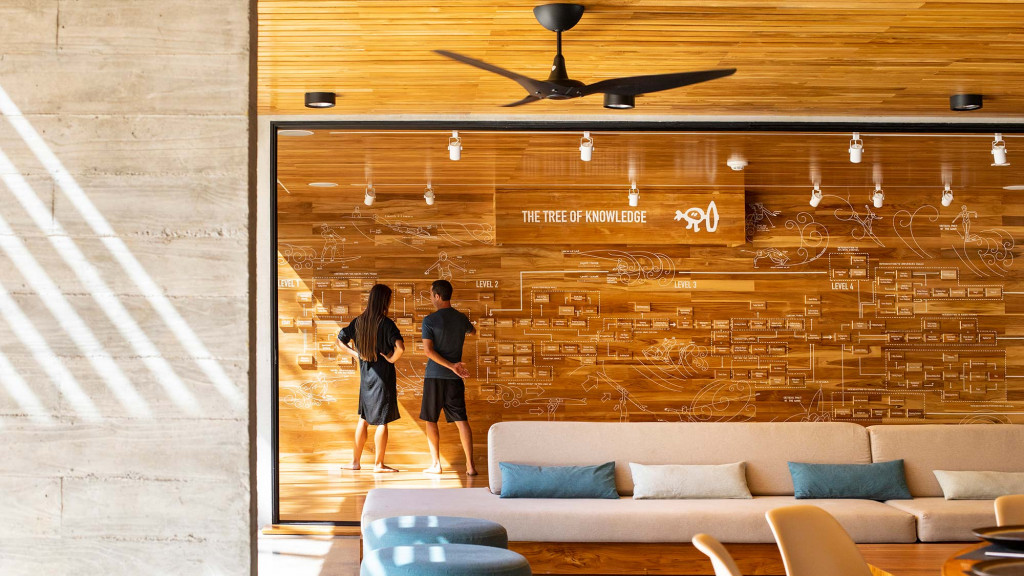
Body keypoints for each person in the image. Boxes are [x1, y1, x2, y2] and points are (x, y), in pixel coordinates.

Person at [337, 283, 405, 473]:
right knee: (382, 421)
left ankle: (355, 463)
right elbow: (400, 348)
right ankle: (378, 464)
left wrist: (355, 354)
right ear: (385, 301)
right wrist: (391, 358)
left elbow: (340, 339)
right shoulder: (386, 323)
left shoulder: (359, 322)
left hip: (366, 380)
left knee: (364, 419)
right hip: (383, 379)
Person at [420, 279, 477, 475]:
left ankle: (436, 465)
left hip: (435, 377)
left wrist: (451, 366)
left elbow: (428, 351)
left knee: (430, 420)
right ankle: (470, 467)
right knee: (461, 420)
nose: (431, 298)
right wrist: (454, 364)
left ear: (437, 296)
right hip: (455, 379)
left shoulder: (429, 320)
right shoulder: (461, 318)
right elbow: (473, 331)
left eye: (431, 294)